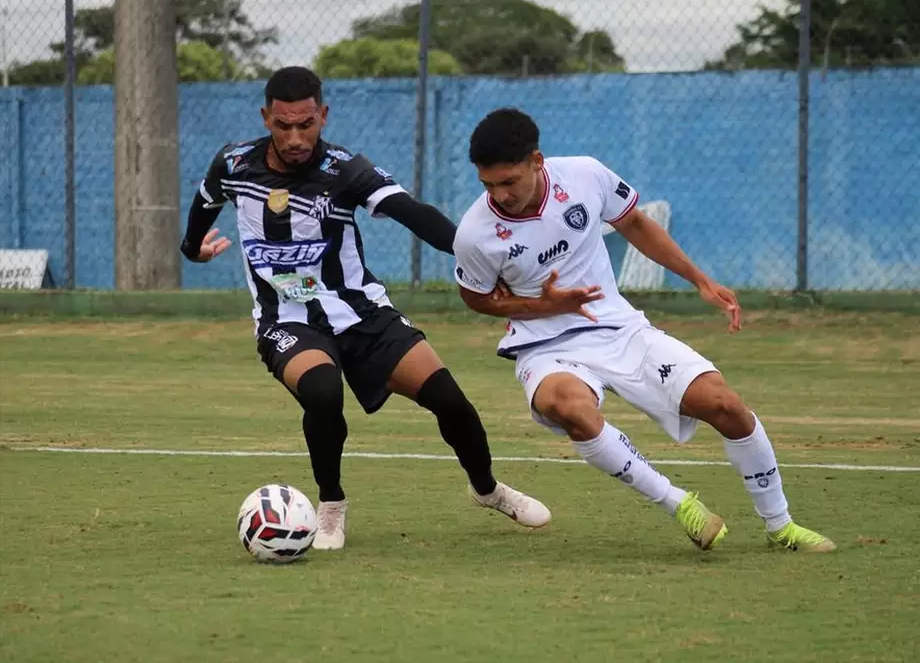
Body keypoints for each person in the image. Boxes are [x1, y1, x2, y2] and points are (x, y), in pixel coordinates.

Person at [180, 68, 550, 551]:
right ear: (266, 117)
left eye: (306, 124)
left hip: (361, 314)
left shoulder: (345, 169)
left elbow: (413, 213)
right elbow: (205, 203)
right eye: (284, 125)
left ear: (323, 116)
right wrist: (193, 249)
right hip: (286, 319)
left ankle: (487, 489)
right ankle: (330, 506)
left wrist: (479, 259)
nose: (295, 137)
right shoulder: (233, 164)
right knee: (322, 389)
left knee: (450, 401)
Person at [452, 107, 835, 553]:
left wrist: (700, 280)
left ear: (537, 161)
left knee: (724, 404)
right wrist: (541, 305)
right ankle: (680, 505)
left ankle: (781, 526)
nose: (499, 195)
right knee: (570, 408)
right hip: (544, 346)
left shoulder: (584, 175)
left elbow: (634, 222)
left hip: (619, 327)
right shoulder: (476, 233)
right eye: (488, 185)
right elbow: (475, 297)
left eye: (508, 182)